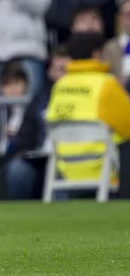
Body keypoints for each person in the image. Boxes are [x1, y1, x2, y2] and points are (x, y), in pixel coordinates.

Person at [43, 33, 130, 190]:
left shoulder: (60, 85)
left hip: (66, 165)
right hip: (103, 166)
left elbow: (51, 122)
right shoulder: (106, 84)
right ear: (96, 54)